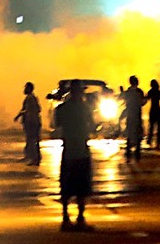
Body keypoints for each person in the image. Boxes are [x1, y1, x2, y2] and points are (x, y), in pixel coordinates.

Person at [56, 80, 95, 231]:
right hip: (81, 150)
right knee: (82, 186)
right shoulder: (85, 108)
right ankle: (80, 218)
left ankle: (65, 218)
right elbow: (92, 126)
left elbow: (57, 125)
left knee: (66, 185)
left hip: (68, 151)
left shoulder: (62, 108)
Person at [14, 82, 42, 165]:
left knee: (32, 140)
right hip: (33, 122)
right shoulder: (31, 98)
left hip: (32, 122)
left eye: (26, 88)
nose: (24, 89)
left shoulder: (30, 98)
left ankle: (34, 158)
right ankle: (31, 157)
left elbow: (30, 110)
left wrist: (21, 114)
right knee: (32, 140)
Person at [122, 75, 145, 162]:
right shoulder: (140, 92)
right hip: (137, 114)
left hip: (130, 115)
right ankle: (137, 152)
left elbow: (124, 101)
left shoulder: (127, 92)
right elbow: (142, 102)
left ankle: (128, 152)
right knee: (138, 133)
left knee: (129, 133)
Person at [146, 79, 160, 150]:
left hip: (152, 110)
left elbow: (146, 99)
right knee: (159, 127)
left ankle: (150, 140)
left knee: (151, 126)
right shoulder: (159, 92)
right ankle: (159, 141)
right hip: (158, 110)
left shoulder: (150, 91)